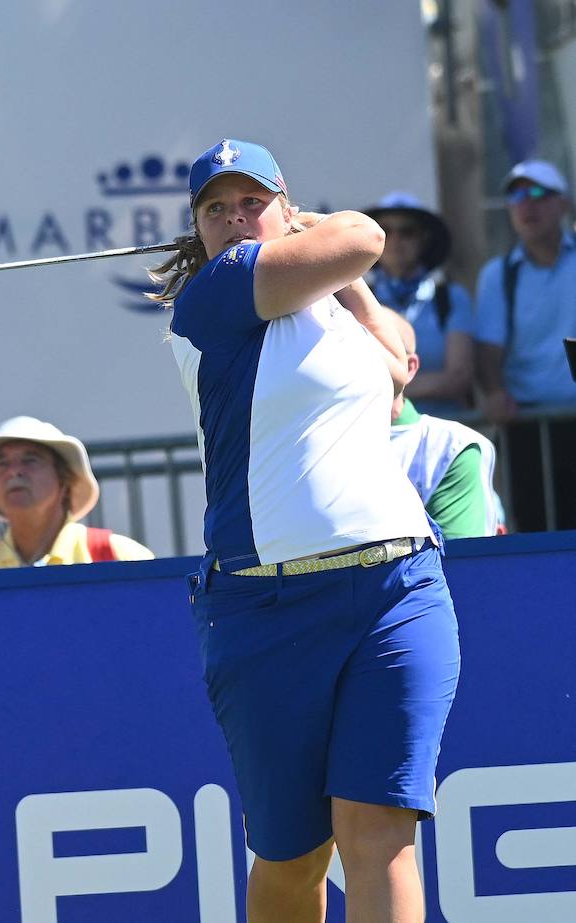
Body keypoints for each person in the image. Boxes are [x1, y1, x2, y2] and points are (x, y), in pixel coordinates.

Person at [157, 138, 458, 922]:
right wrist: (320, 238)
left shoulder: (326, 302)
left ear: (285, 208)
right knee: (292, 859)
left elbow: (399, 371)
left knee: (378, 828)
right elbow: (364, 235)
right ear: (199, 233)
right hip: (267, 610)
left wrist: (351, 291)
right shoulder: (212, 298)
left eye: (252, 201)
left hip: (398, 587)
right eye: (215, 209)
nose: (234, 219)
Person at [473, 160, 576, 531]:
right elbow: (488, 349)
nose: (526, 204)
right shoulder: (498, 274)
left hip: (557, 421)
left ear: (563, 204)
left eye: (537, 193)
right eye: (516, 195)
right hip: (528, 431)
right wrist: (495, 391)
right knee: (537, 532)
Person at [0, 416, 153, 571]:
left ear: (64, 481)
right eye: (2, 464)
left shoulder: (119, 556)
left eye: (31, 460)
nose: (14, 471)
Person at [387, 315, 501, 539]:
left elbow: (457, 561)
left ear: (409, 367)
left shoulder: (451, 447)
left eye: (373, 350)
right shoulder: (311, 439)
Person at [363, 192, 475, 417]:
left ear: (424, 239)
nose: (395, 240)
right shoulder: (359, 299)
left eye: (407, 231)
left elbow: (458, 378)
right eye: (386, 230)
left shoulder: (451, 298)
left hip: (442, 437)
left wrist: (382, 386)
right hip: (381, 438)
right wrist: (427, 384)